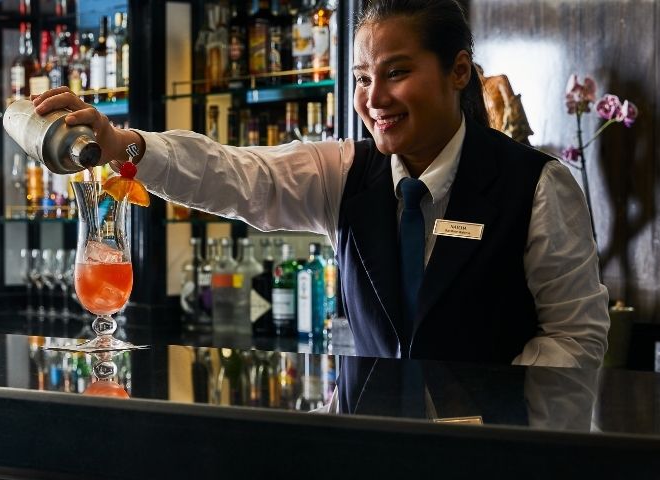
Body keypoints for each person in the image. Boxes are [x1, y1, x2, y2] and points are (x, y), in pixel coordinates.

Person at [33, 0, 609, 368]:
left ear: (458, 71)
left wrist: (494, 424)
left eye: (397, 72)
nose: (374, 98)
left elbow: (575, 338)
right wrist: (124, 144)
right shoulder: (347, 174)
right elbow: (237, 176)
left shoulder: (536, 185)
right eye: (362, 78)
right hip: (372, 447)